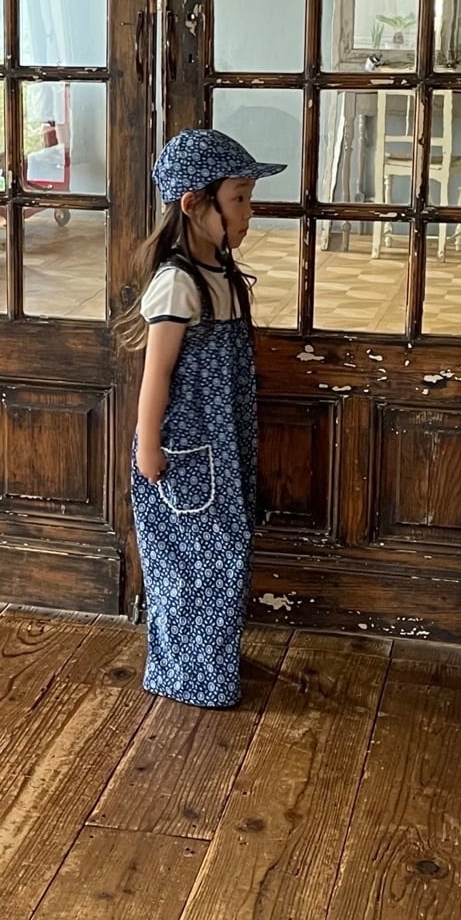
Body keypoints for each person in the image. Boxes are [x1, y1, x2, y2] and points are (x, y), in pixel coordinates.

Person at [121, 129, 286, 708]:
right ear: (195, 204)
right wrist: (148, 446)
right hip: (185, 450)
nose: (248, 210)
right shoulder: (178, 283)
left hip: (224, 444)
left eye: (248, 198)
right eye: (239, 197)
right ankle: (187, 676)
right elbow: (157, 375)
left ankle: (211, 666)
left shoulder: (223, 273)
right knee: (189, 569)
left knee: (223, 559)